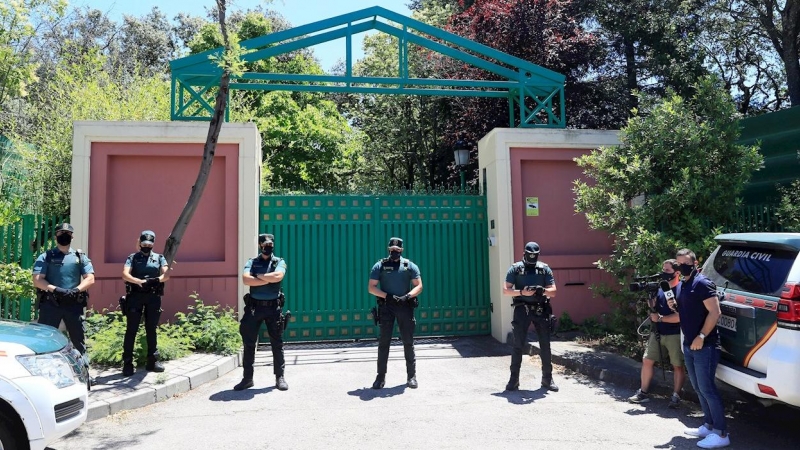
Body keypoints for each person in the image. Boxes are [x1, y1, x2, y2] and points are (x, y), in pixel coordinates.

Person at [672, 248, 730, 449]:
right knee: (698, 387)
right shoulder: (683, 284)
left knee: (708, 388)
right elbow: (686, 311)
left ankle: (721, 433)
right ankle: (709, 424)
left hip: (705, 345)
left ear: (695, 264)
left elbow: (715, 312)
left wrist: (702, 336)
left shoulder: (703, 283)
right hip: (689, 344)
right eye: (679, 264)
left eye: (686, 264)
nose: (682, 267)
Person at [32, 223, 95, 380]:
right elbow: (38, 280)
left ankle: (84, 374)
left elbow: (90, 278)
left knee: (78, 340)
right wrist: (55, 289)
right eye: (61, 232)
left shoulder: (80, 257)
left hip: (73, 304)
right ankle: (44, 375)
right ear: (56, 236)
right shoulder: (46, 256)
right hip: (51, 304)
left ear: (72, 236)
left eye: (67, 233)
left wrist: (76, 290)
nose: (64, 235)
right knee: (45, 339)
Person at [234, 233, 288, 391]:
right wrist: (267, 278)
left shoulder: (279, 261)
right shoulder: (252, 261)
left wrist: (257, 276)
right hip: (254, 308)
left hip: (273, 308)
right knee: (249, 344)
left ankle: (280, 377)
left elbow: (278, 276)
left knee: (277, 343)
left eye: (270, 245)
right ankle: (247, 379)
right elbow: (245, 280)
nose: (268, 248)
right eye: (265, 245)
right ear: (260, 245)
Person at [628, 259, 685, 407]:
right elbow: (654, 308)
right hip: (658, 331)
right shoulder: (660, 288)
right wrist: (650, 298)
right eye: (663, 270)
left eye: (667, 271)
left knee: (677, 365)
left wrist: (661, 318)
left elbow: (680, 316)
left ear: (677, 273)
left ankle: (676, 396)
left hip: (675, 333)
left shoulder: (681, 290)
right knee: (647, 360)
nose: (663, 273)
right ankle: (643, 392)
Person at [368, 237, 423, 389]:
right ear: (388, 249)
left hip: (405, 307)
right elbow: (371, 287)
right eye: (392, 250)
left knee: (408, 341)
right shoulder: (380, 265)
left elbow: (419, 286)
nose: (394, 252)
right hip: (387, 307)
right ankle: (380, 377)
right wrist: (387, 296)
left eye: (397, 250)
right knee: (384, 342)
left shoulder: (409, 266)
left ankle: (411, 376)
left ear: (401, 250)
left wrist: (408, 296)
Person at [503, 241, 558, 392]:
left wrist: (542, 290)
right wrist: (522, 292)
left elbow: (553, 291)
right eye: (529, 256)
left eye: (535, 256)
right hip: (522, 309)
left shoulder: (544, 268)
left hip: (541, 309)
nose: (532, 258)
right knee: (518, 345)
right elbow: (506, 290)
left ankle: (547, 378)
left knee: (545, 345)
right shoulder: (515, 268)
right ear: (524, 254)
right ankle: (514, 379)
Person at [121, 230, 169, 376]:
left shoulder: (159, 258)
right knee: (132, 329)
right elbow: (125, 274)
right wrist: (138, 281)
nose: (146, 246)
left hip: (153, 296)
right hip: (136, 296)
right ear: (140, 243)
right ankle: (128, 363)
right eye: (144, 243)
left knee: (151, 329)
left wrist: (155, 280)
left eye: (149, 244)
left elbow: (166, 274)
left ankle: (152, 362)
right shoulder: (133, 258)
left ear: (153, 244)